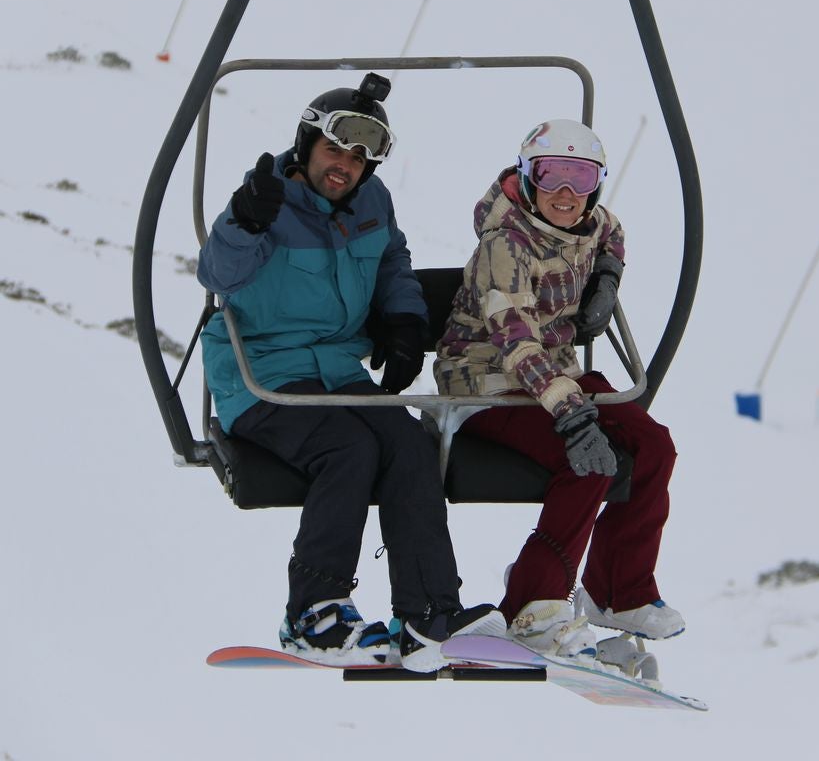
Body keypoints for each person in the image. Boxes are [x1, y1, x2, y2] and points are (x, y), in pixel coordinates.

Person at [197, 73, 502, 669]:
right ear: (307, 143)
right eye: (334, 149)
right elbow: (219, 276)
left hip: (337, 369)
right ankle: (314, 611)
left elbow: (391, 258)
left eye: (361, 158)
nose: (345, 166)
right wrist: (244, 221)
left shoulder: (372, 202)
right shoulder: (265, 199)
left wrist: (405, 321)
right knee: (347, 450)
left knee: (409, 443)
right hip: (260, 372)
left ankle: (427, 614)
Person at [434, 119, 683, 661]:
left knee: (653, 446)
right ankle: (533, 602)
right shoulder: (507, 242)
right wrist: (573, 416)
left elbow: (612, 232)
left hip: (555, 373)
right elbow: (515, 337)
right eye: (552, 177)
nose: (567, 194)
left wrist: (608, 276)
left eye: (582, 177)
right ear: (527, 178)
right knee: (586, 458)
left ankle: (618, 591)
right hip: (487, 381)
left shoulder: (591, 223)